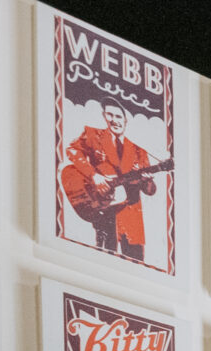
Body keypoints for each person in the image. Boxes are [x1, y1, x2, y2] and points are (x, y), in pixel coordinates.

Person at [64, 97, 157, 261]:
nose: (114, 120)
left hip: (131, 217)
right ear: (104, 116)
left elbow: (149, 191)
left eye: (118, 116)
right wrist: (94, 175)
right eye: (110, 115)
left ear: (126, 120)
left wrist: (148, 180)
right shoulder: (93, 135)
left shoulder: (138, 151)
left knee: (135, 265)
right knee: (104, 259)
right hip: (105, 210)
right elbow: (72, 150)